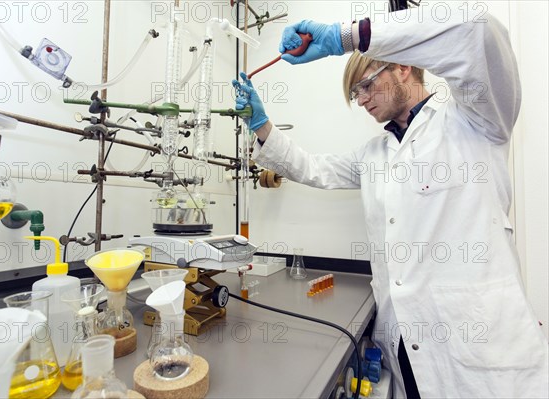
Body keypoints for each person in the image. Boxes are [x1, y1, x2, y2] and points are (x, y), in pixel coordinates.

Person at [233, 5, 549, 399]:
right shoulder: (375, 154)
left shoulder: (476, 122)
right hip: (407, 350)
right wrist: (261, 125)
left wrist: (345, 36)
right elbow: (314, 168)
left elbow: (478, 32)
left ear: (403, 66)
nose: (361, 100)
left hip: (481, 356)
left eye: (365, 85)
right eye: (355, 93)